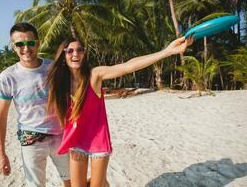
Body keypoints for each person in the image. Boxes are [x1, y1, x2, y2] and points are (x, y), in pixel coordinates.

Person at [45, 36, 193, 187]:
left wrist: (167, 51)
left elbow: (128, 66)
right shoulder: (60, 83)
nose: (75, 54)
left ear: (84, 54)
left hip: (98, 143)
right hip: (76, 142)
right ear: (63, 56)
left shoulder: (94, 75)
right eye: (69, 51)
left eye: (79, 50)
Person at [0, 22, 71, 187]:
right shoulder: (7, 77)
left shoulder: (54, 68)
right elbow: (1, 116)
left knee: (71, 181)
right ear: (13, 47)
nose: (26, 48)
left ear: (38, 43)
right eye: (20, 44)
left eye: (30, 43)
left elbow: (71, 98)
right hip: (31, 140)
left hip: (62, 137)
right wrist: (2, 154)